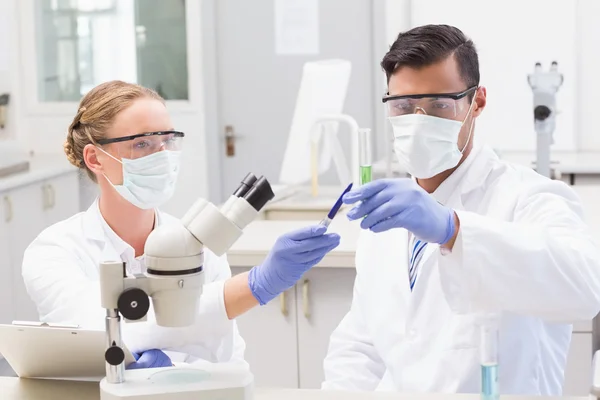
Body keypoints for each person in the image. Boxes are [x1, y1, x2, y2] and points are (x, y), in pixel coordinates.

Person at [322, 24, 600, 395]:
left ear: (477, 102)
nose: (418, 121)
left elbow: (583, 288)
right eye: (403, 106)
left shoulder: (530, 197)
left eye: (439, 104)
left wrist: (454, 230)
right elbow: (361, 346)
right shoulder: (386, 218)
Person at [22, 80, 340, 370]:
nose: (163, 156)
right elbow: (89, 331)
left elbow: (229, 361)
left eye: (168, 141)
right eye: (142, 144)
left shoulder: (199, 248)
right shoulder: (55, 250)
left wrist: (174, 375)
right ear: (95, 158)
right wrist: (252, 287)